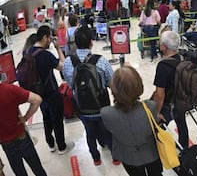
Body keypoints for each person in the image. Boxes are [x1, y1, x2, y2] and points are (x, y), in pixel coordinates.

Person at [62, 25, 116, 166]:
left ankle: (96, 158)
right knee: (108, 130)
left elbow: (70, 84)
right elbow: (111, 83)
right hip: (102, 107)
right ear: (91, 42)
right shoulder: (101, 61)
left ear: (76, 43)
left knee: (89, 133)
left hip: (83, 108)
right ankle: (115, 157)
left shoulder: (68, 62)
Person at [101, 66, 162, 176]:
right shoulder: (150, 106)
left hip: (128, 156)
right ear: (139, 86)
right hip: (152, 153)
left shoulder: (106, 113)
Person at [29, 25, 73, 155]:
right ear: (44, 37)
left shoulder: (29, 52)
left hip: (38, 94)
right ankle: (61, 146)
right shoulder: (45, 55)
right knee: (57, 120)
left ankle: (51, 144)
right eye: (49, 38)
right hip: (52, 93)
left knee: (46, 119)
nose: (51, 40)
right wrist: (59, 49)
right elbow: (64, 67)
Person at [0, 73, 48, 176]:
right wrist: (25, 117)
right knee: (37, 168)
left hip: (6, 143)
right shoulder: (10, 89)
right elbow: (37, 100)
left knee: (19, 172)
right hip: (21, 137)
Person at [153, 31, 189, 148]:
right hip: (182, 100)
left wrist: (157, 112)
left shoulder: (163, 66)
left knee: (158, 125)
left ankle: (158, 148)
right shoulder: (182, 58)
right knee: (181, 123)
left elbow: (160, 94)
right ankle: (184, 146)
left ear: (164, 47)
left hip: (169, 104)